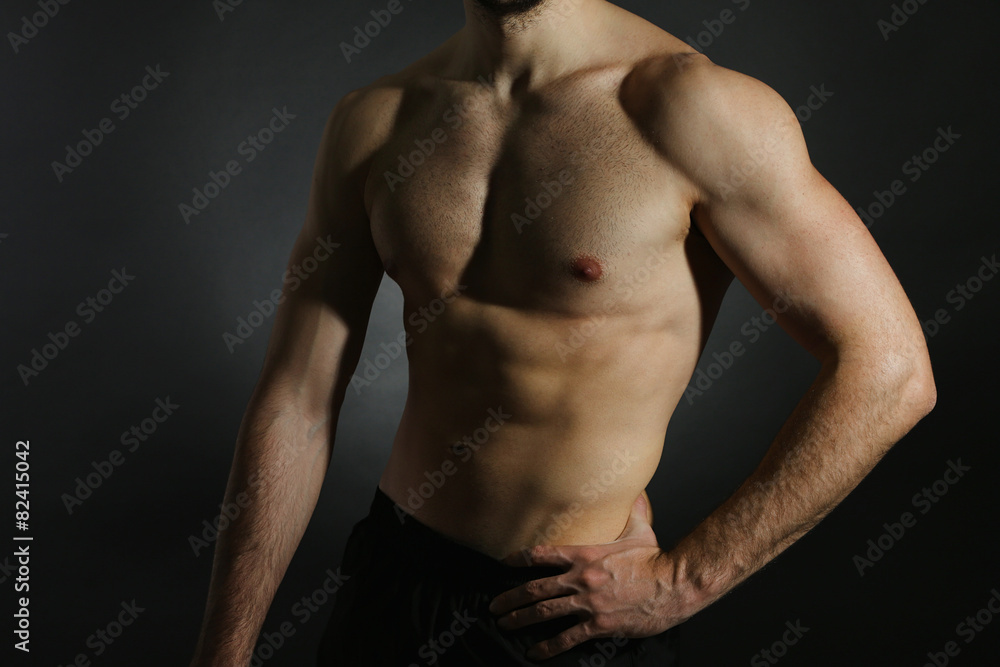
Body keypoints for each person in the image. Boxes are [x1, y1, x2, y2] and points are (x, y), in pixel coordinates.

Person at [188, 0, 936, 664]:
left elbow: (890, 368)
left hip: (566, 614)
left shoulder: (688, 107)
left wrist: (684, 578)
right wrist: (223, 650)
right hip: (393, 584)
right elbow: (298, 399)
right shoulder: (377, 121)